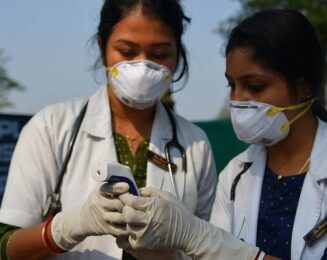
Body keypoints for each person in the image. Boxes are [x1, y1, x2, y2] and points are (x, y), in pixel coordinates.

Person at [116, 9, 327, 260]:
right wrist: (161, 251)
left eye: (255, 86)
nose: (238, 100)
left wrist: (199, 237)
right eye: (232, 85)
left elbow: (218, 248)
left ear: (304, 87)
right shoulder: (235, 175)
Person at [0, 0, 217, 259]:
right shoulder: (51, 128)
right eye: (126, 52)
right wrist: (64, 229)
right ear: (102, 48)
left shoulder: (195, 144)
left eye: (159, 54)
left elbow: (212, 246)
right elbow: (6, 247)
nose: (143, 68)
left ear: (177, 55)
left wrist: (172, 253)